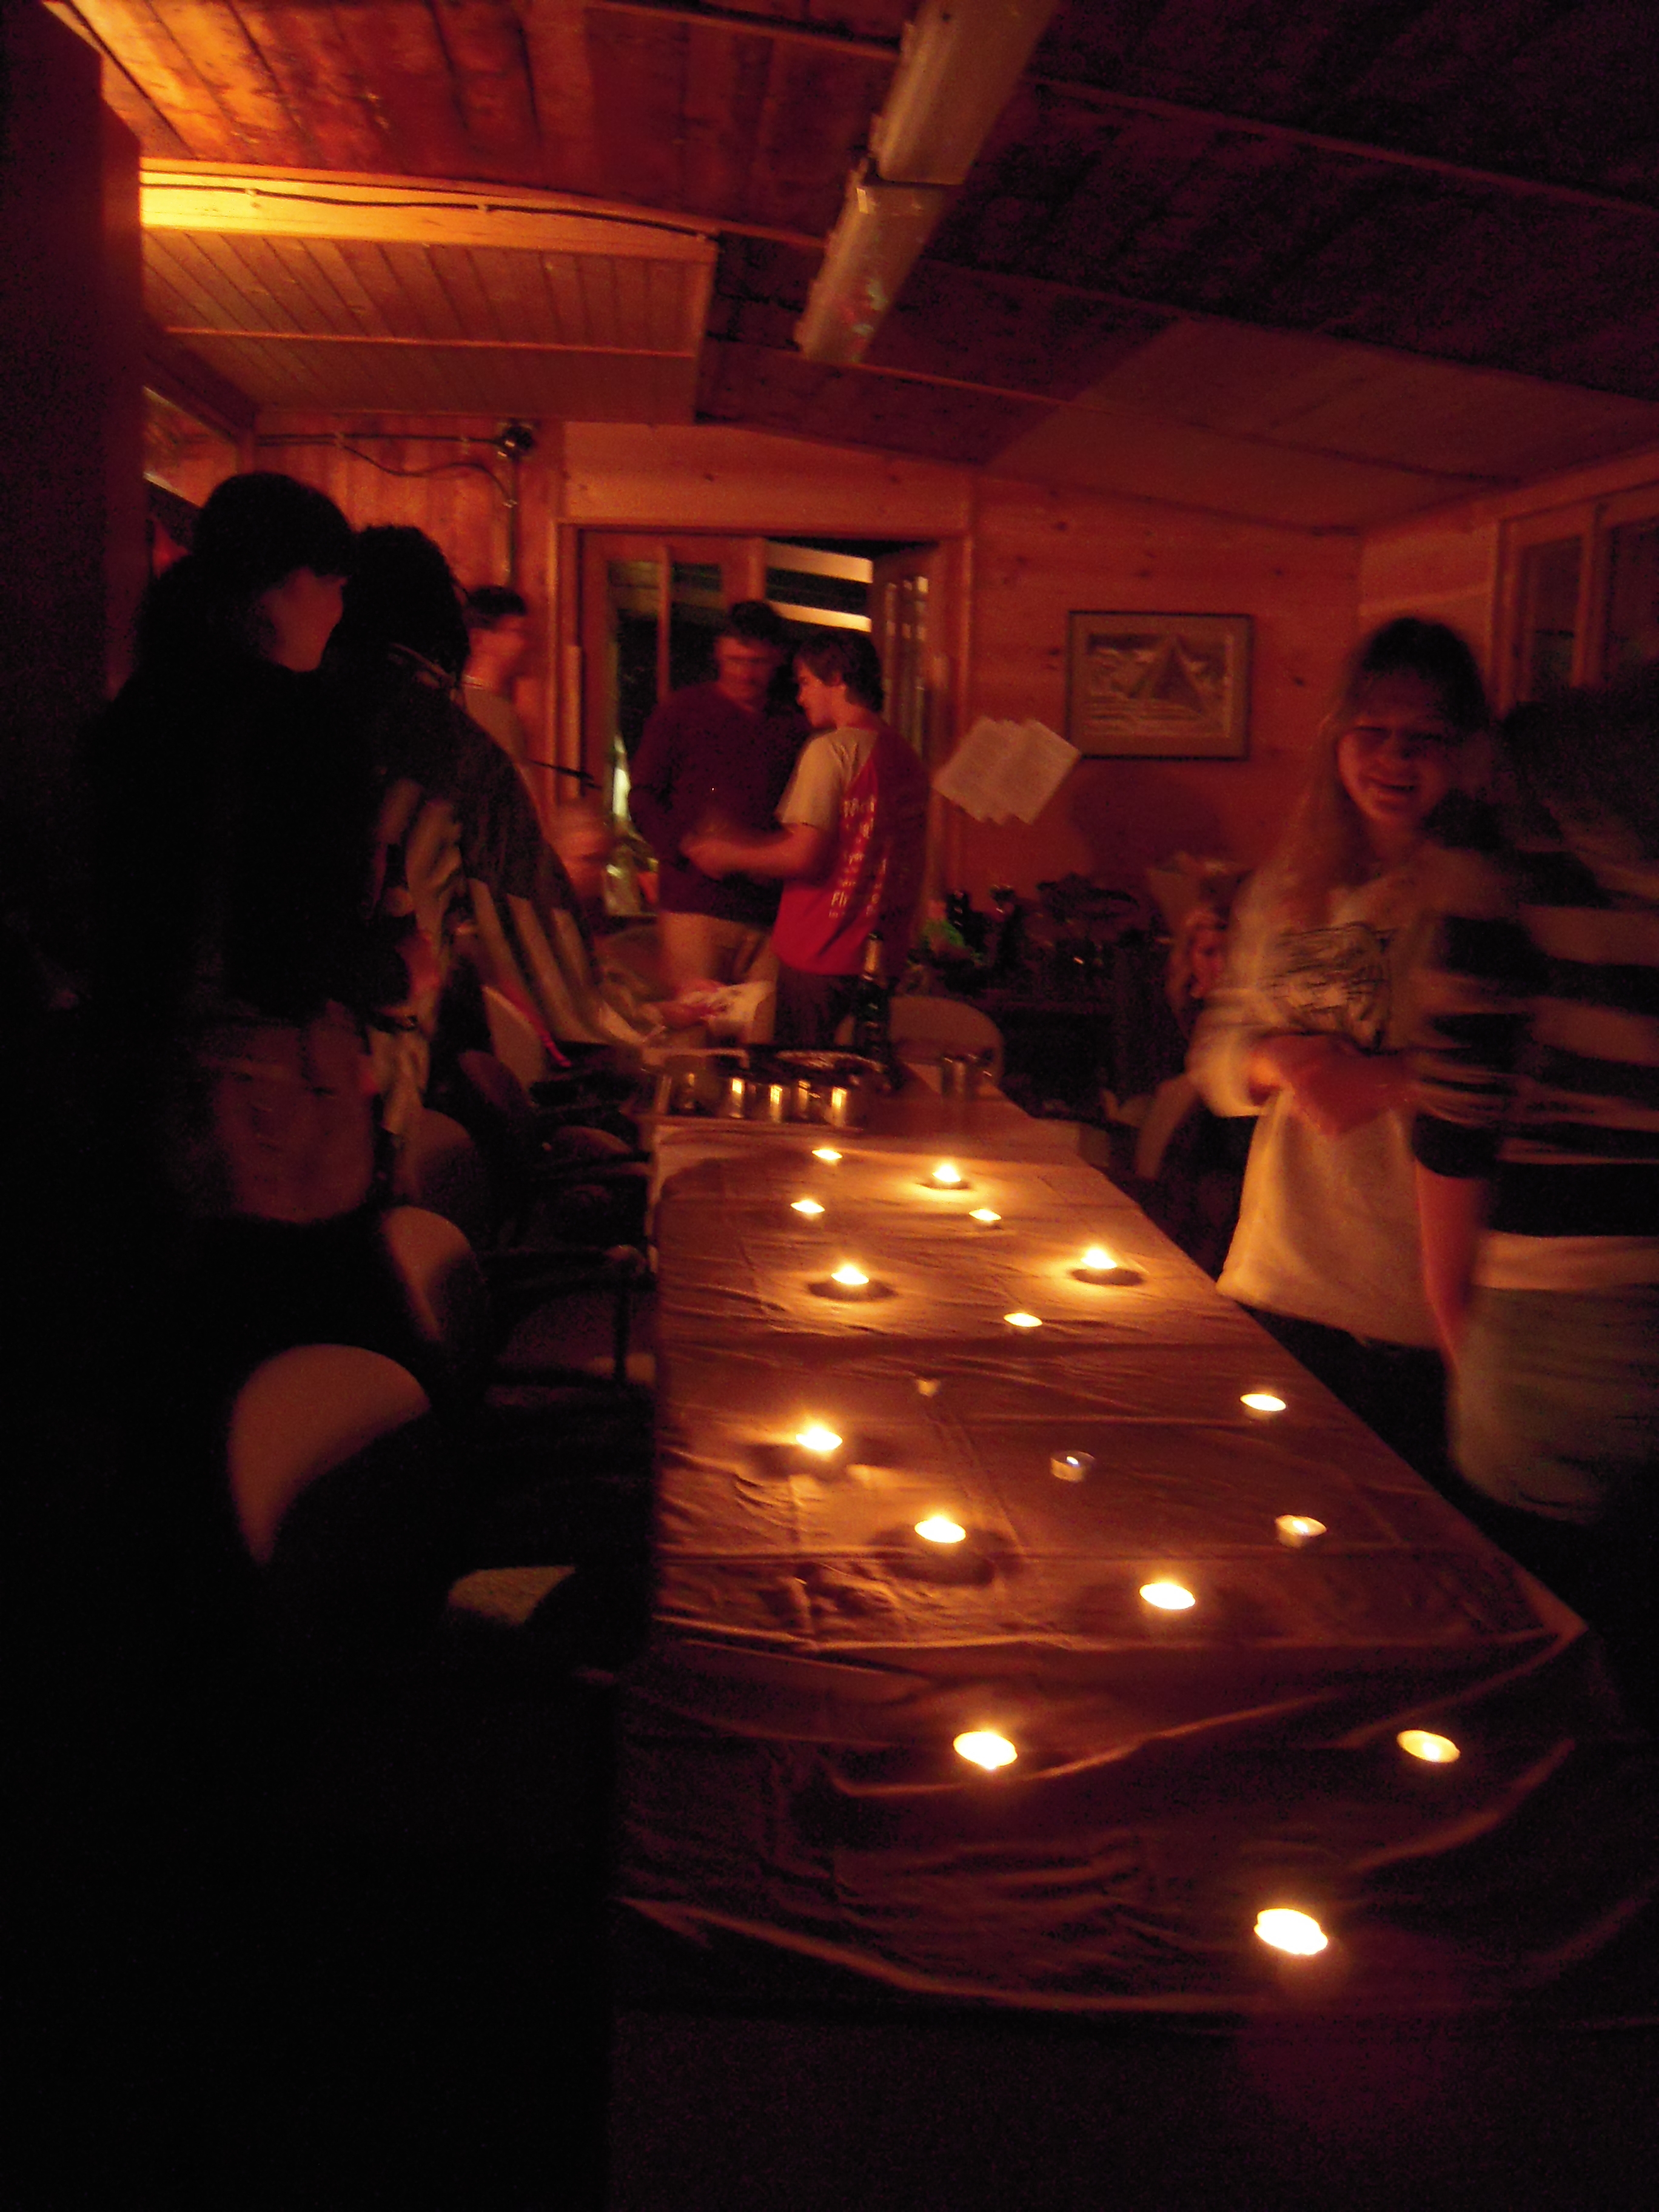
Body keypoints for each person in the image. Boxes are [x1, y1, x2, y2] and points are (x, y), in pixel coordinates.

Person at [1188, 617, 1490, 1478]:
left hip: (1413, 1297)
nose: (1396, 758)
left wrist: (1388, 1080)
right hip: (1280, 1273)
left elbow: (1524, 1066)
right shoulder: (1290, 884)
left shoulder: (1485, 892)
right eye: (1373, 732)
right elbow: (1219, 1053)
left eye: (1425, 737)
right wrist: (1279, 1063)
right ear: (1337, 740)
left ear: (1467, 751)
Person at [1413, 668, 1659, 1676]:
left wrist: (1450, 1305)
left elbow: (1463, 1077)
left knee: (1552, 1677)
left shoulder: (1531, 777)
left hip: (1567, 1292)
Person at [685, 631, 930, 1048]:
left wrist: (727, 854)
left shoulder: (832, 751)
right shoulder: (905, 757)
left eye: (805, 683)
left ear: (836, 677)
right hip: (881, 958)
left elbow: (804, 856)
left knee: (801, 1075)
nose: (800, 698)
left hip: (821, 952)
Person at [628, 600, 806, 992]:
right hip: (695, 907)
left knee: (760, 1024)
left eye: (756, 662)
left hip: (769, 914)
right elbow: (642, 799)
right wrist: (686, 846)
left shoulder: (793, 728)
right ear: (718, 654)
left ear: (777, 659)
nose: (744, 673)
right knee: (696, 1022)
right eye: (735, 661)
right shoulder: (682, 712)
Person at [462, 584, 534, 766]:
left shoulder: (455, 700)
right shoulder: (494, 714)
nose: (527, 645)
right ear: (480, 640)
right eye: (518, 632)